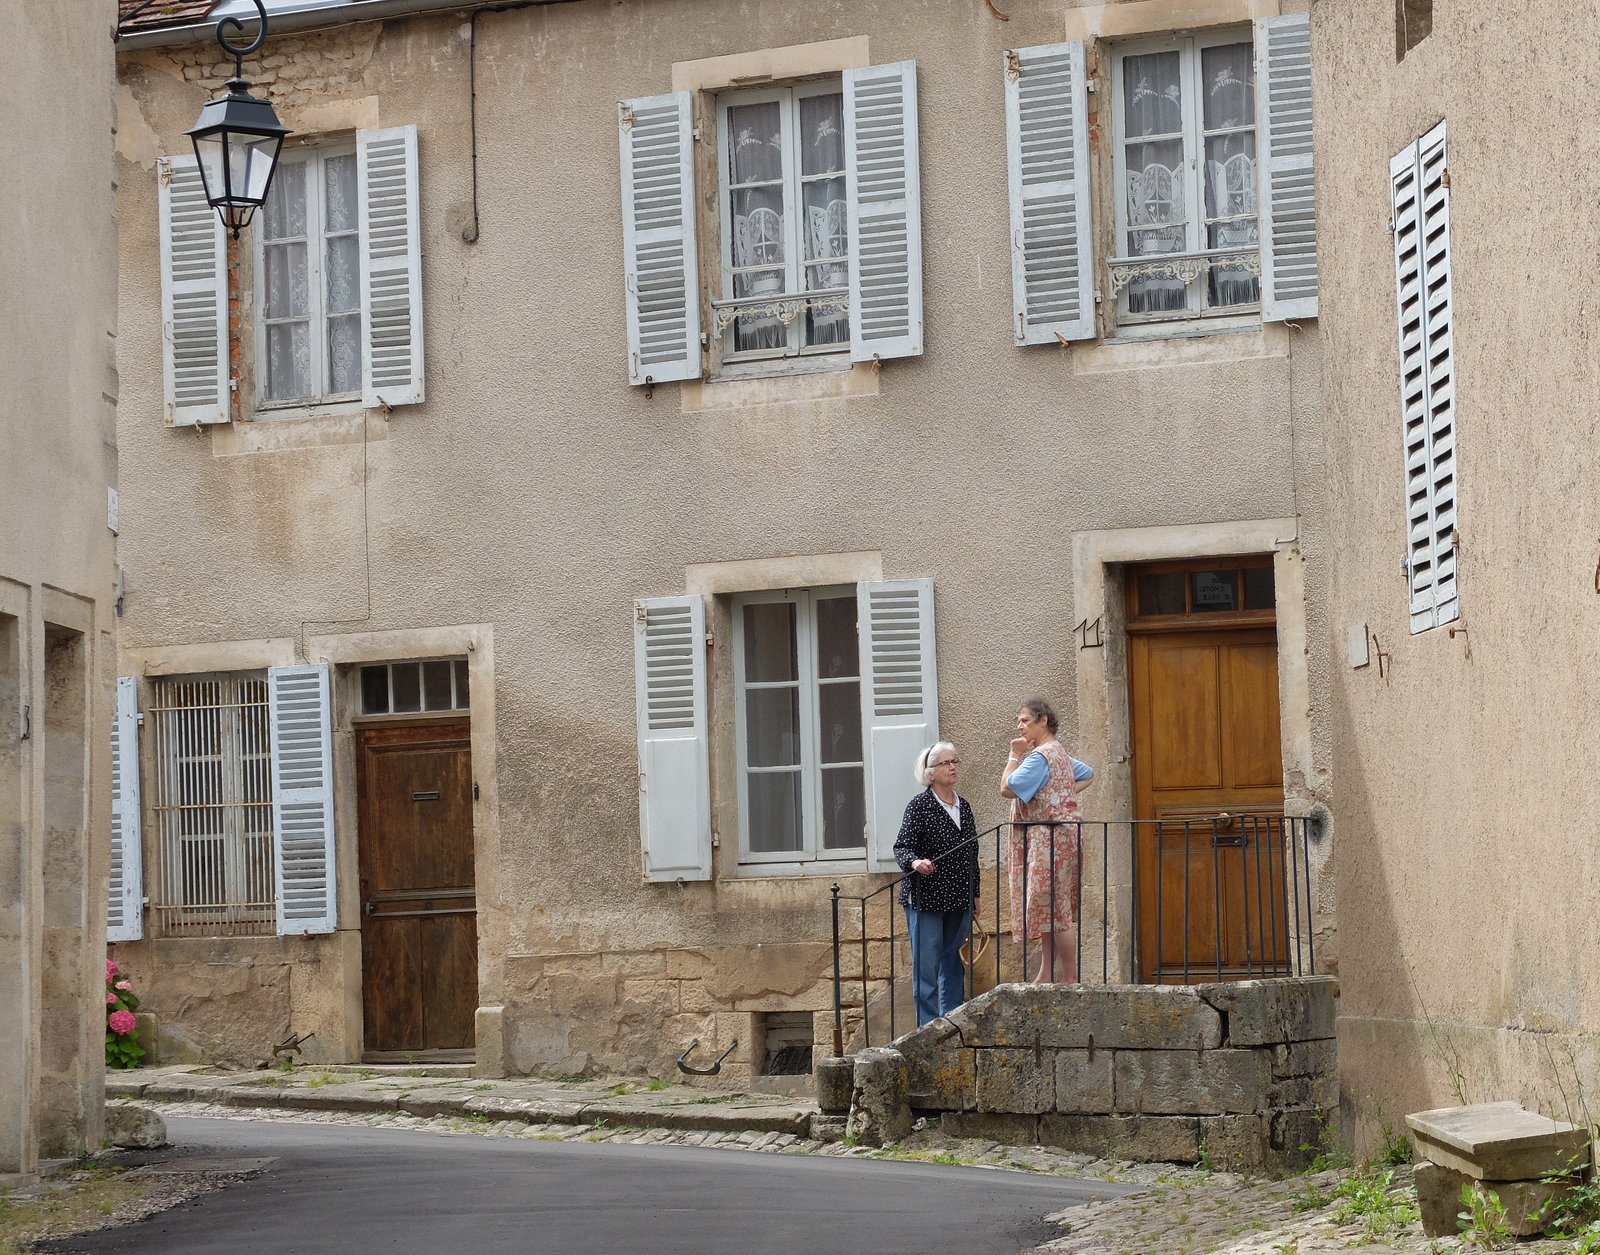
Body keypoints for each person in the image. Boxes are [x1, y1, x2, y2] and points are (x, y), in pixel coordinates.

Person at [893, 742, 981, 1025]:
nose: (953, 767)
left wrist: (975, 893)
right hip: (926, 898)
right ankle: (928, 1027)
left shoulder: (963, 806)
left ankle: (953, 1019)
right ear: (930, 773)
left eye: (954, 761)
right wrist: (915, 863)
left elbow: (973, 852)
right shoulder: (919, 806)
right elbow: (902, 847)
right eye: (945, 763)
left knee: (953, 961)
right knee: (926, 966)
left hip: (958, 896)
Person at [1000, 698, 1083, 983]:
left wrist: (1013, 755)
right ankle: (1046, 973)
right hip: (1063, 837)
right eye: (1019, 721)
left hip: (1047, 841)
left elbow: (1006, 788)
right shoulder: (1058, 753)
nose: (1019, 726)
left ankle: (1070, 976)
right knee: (1051, 908)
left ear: (1043, 720)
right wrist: (1059, 799)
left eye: (1025, 720)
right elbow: (1087, 774)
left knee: (1056, 909)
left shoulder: (1038, 757)